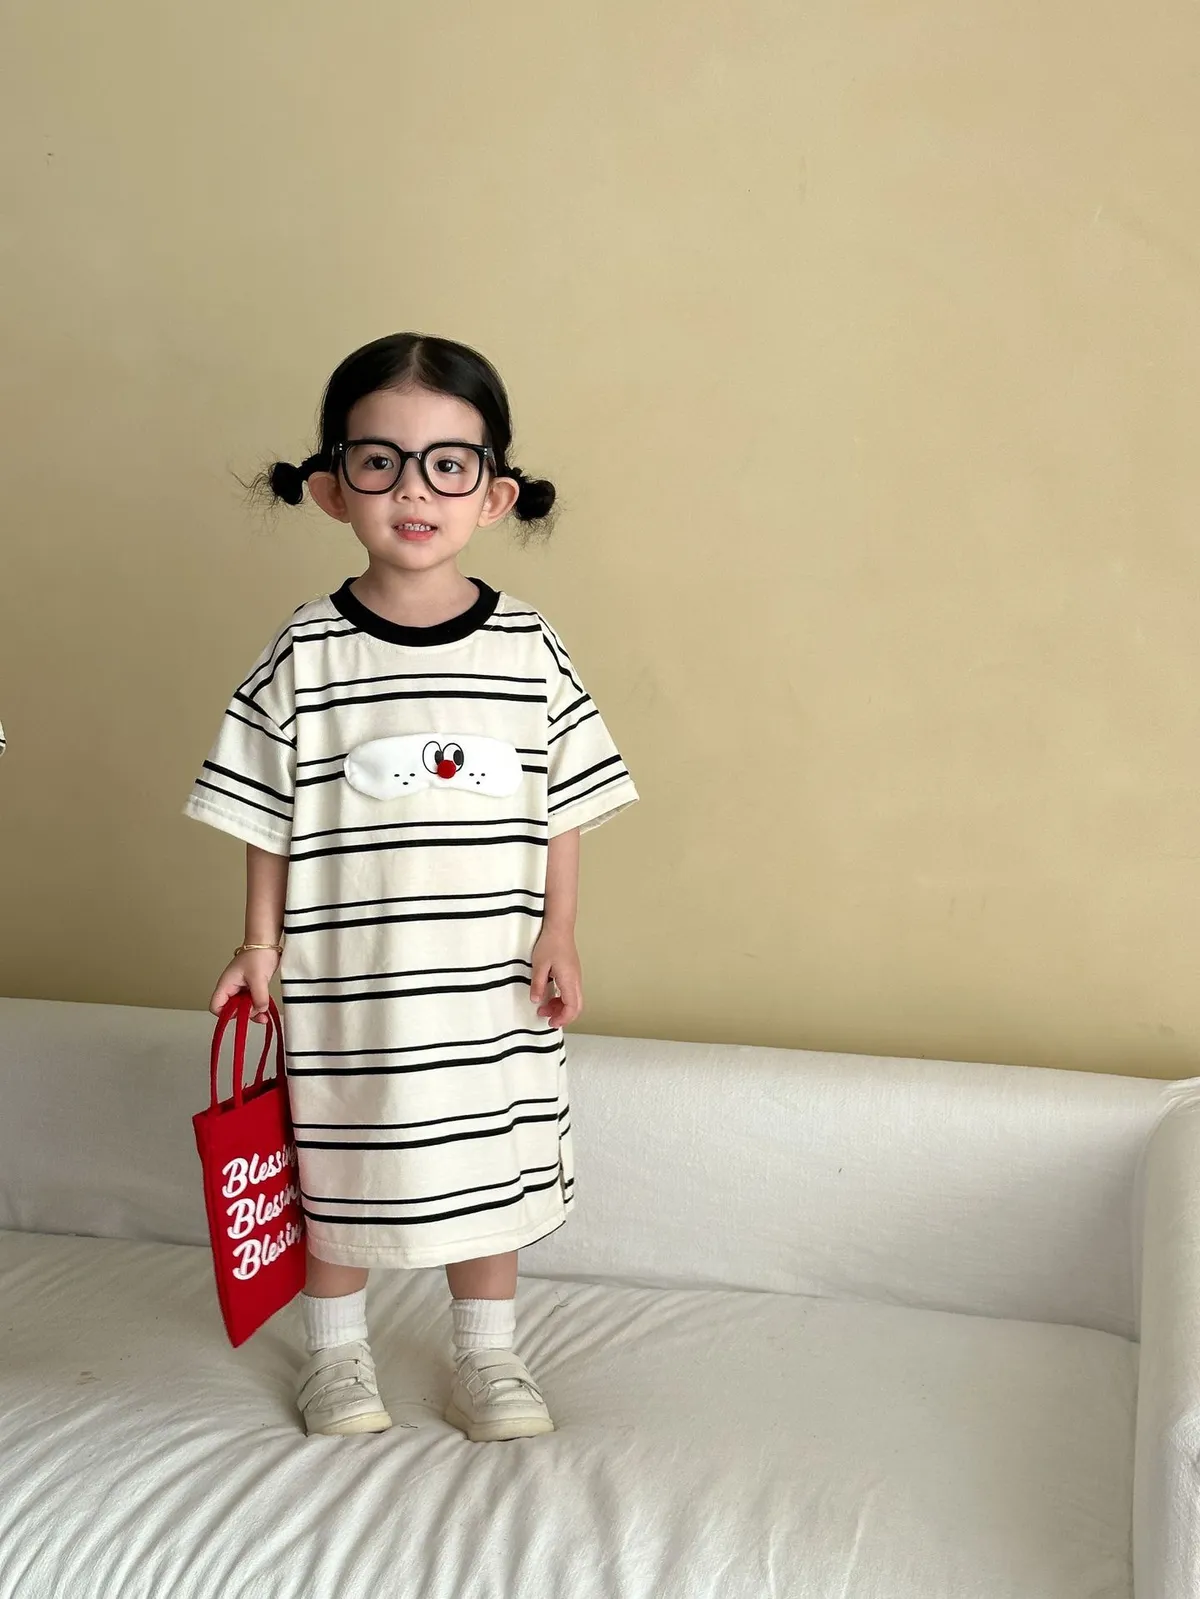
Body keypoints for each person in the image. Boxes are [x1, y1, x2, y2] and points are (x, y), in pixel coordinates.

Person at [184, 332, 639, 1441]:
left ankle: (489, 1355)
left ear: (495, 494)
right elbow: (264, 813)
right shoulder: (308, 654)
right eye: (380, 462)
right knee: (335, 1153)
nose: (415, 491)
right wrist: (259, 948)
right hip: (348, 982)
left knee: (490, 1161)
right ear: (333, 488)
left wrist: (561, 932)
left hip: (488, 982)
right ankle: (336, 1355)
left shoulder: (528, 650)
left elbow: (566, 801)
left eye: (449, 464)